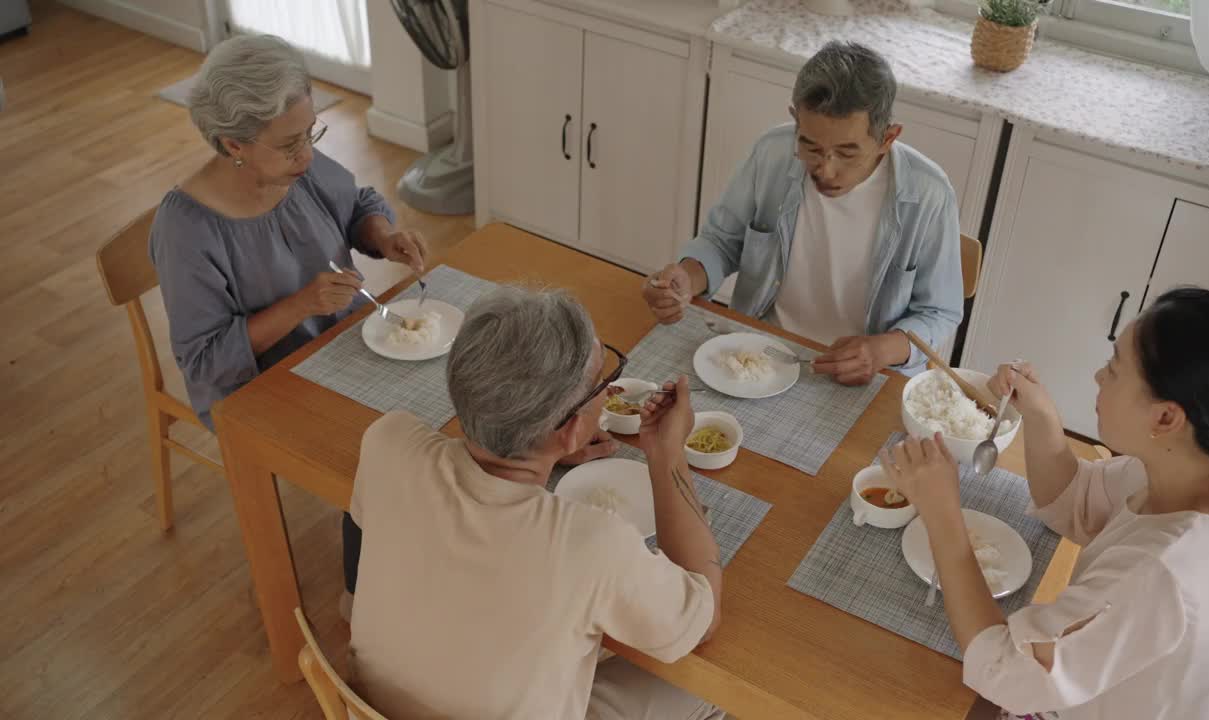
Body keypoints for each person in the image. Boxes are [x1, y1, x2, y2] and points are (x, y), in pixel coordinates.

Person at [882, 287, 1209, 719]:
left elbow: (1009, 673)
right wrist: (1040, 415)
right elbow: (1080, 504)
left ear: (1166, 417)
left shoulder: (1163, 573)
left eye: (1113, 369)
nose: (1097, 377)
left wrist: (943, 515)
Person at [347, 286, 725, 720]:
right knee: (708, 685)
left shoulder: (387, 441)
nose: (611, 388)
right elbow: (702, 618)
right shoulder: (595, 544)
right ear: (568, 429)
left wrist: (542, 445)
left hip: (377, 707)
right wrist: (668, 455)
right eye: (601, 381)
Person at [148, 35, 429, 617]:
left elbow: (356, 204)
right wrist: (301, 305)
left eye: (311, 134)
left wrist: (382, 236)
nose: (307, 156)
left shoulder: (296, 164)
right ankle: (365, 599)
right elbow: (205, 363)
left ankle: (414, 555)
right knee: (379, 454)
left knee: (438, 410)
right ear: (234, 145)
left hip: (340, 340)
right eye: (289, 144)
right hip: (256, 386)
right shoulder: (188, 232)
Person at [643, 40, 962, 385]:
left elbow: (939, 311)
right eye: (809, 146)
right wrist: (687, 279)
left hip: (863, 375)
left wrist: (882, 350)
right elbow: (722, 241)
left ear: (887, 138)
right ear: (795, 118)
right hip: (759, 352)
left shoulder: (929, 194)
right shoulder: (771, 152)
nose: (825, 169)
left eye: (847, 153)